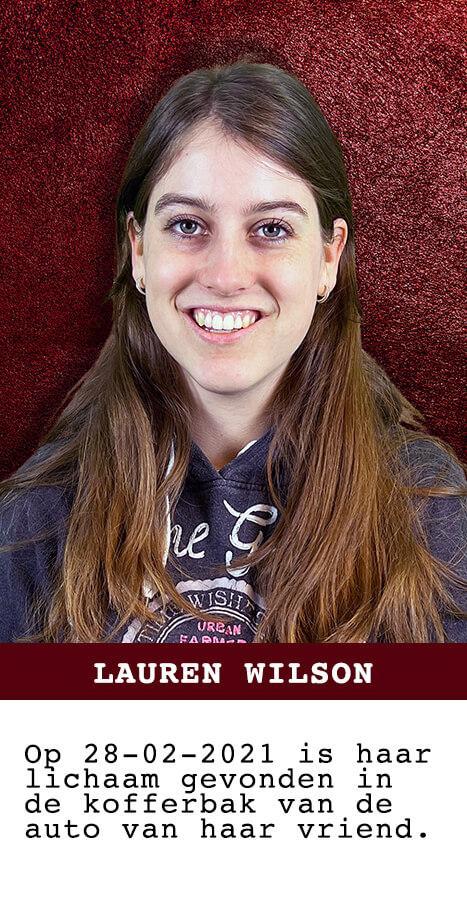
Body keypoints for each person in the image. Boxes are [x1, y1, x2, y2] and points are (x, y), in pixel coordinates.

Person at [0, 59, 466, 644]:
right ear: (138, 251)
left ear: (328, 258)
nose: (225, 276)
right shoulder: (39, 522)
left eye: (271, 229)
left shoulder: (427, 510)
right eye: (187, 225)